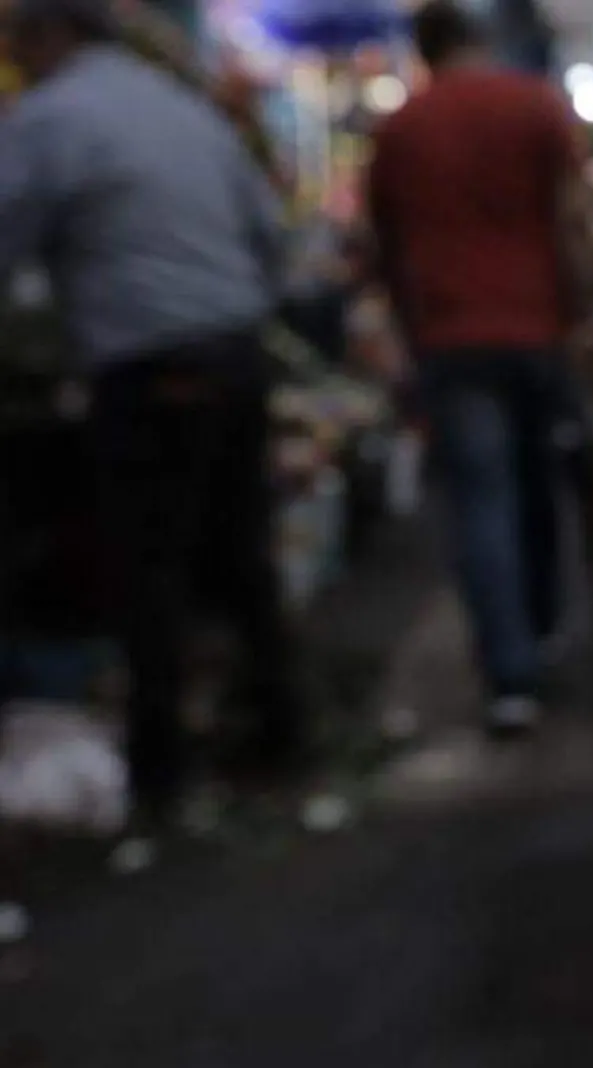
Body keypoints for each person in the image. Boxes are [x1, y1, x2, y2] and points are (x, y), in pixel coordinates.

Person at [0, 0, 305, 828]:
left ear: (46, 37)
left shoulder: (50, 117)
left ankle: (163, 771)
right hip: (236, 346)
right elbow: (265, 231)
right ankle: (283, 731)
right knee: (241, 553)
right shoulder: (179, 103)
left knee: (151, 564)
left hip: (150, 360)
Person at [364, 0, 593, 734]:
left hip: (453, 341)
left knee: (482, 500)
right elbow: (572, 225)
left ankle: (511, 676)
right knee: (539, 483)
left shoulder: (401, 128)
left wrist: (411, 334)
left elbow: (388, 251)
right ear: (482, 40)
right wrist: (580, 316)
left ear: (425, 48)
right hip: (537, 330)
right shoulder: (536, 106)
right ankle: (549, 625)